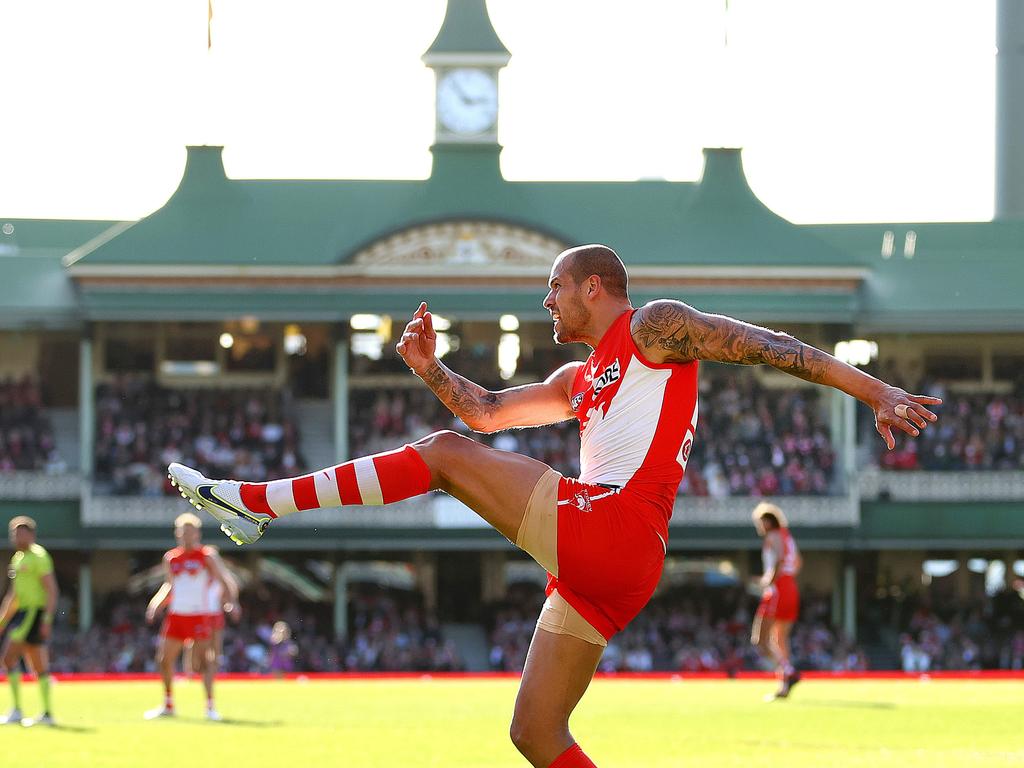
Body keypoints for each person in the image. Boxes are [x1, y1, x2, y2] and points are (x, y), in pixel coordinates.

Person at [167, 244, 940, 767]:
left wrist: (877, 390)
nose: (546, 301)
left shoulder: (651, 327)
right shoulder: (581, 379)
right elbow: (487, 412)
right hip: (610, 567)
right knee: (535, 735)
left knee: (438, 455)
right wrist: (432, 368)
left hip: (615, 524)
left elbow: (773, 347)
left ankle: (257, 503)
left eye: (554, 288)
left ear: (592, 287)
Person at [145, 513, 237, 721]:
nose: (185, 536)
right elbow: (170, 585)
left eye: (189, 531)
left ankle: (210, 706)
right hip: (177, 616)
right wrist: (156, 604)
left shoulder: (206, 556)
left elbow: (223, 579)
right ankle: (168, 704)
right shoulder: (171, 558)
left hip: (199, 615)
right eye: (181, 532)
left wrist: (231, 601)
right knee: (163, 660)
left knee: (201, 664)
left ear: (197, 533)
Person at [0, 516, 59, 727]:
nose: (16, 536)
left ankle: (17, 710)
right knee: (38, 663)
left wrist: (46, 619)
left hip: (34, 613)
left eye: (20, 532)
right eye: (13, 532)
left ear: (31, 535)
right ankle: (47, 713)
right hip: (22, 613)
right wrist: (2, 620)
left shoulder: (39, 557)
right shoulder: (17, 559)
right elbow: (13, 595)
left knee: (7, 657)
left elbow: (51, 590)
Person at [750, 502, 802, 699]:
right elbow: (797, 562)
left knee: (761, 640)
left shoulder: (773, 537)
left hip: (778, 589)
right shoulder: (788, 537)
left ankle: (789, 672)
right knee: (780, 639)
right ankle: (784, 685)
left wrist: (768, 581)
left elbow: (779, 560)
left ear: (767, 521)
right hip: (790, 587)